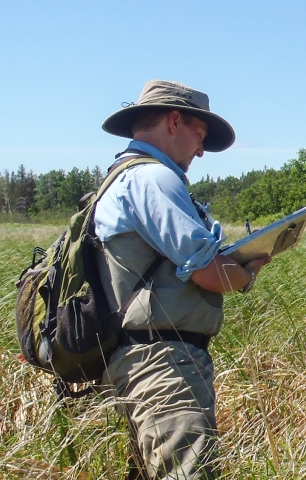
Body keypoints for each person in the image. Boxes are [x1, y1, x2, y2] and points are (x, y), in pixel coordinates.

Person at [93, 80, 269, 479]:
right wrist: (246, 273)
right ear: (174, 121)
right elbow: (207, 273)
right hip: (163, 366)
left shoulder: (124, 177)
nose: (201, 150)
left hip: (137, 361)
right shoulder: (154, 180)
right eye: (200, 134)